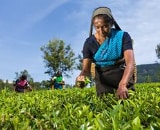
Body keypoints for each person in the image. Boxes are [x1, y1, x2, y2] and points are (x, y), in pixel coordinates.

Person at [76, 7, 136, 99]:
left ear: (111, 23)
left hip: (122, 77)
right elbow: (86, 70)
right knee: (105, 107)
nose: (101, 31)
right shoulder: (89, 43)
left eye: (105, 26)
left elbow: (130, 63)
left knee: (129, 106)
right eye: (97, 27)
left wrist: (123, 84)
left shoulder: (122, 36)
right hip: (103, 82)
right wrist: (82, 76)